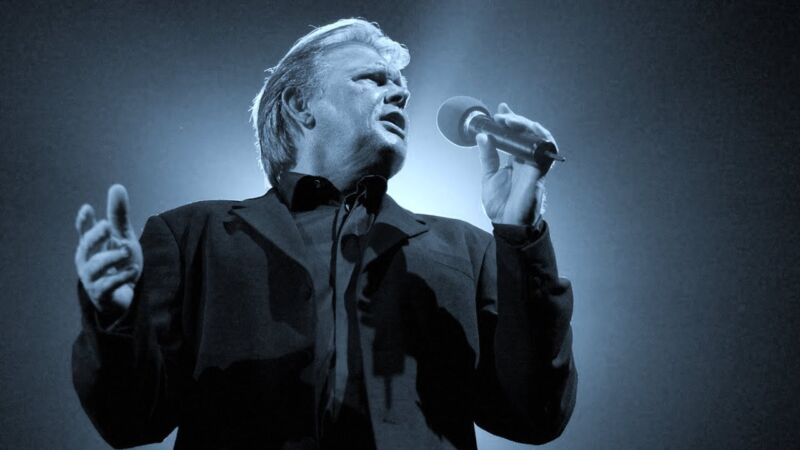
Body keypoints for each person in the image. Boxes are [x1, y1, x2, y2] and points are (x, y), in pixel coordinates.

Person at [72, 18, 577, 450]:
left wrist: (520, 234)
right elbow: (130, 421)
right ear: (300, 104)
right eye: (372, 78)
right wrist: (117, 321)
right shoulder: (192, 236)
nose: (400, 93)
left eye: (400, 84)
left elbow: (535, 414)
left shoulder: (468, 249)